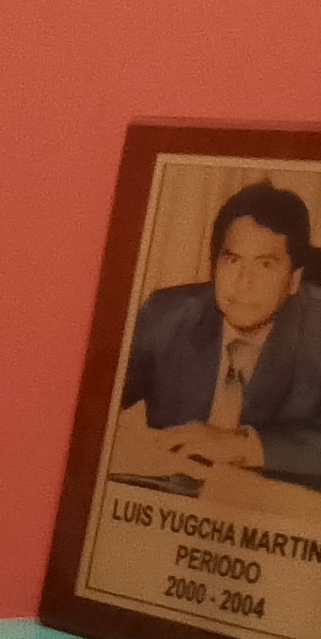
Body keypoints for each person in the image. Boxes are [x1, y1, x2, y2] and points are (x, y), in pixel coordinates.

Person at [115, 179, 321, 486]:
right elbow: (96, 400)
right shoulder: (166, 317)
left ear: (293, 280)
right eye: (233, 260)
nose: (243, 283)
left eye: (265, 265)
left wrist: (242, 446)